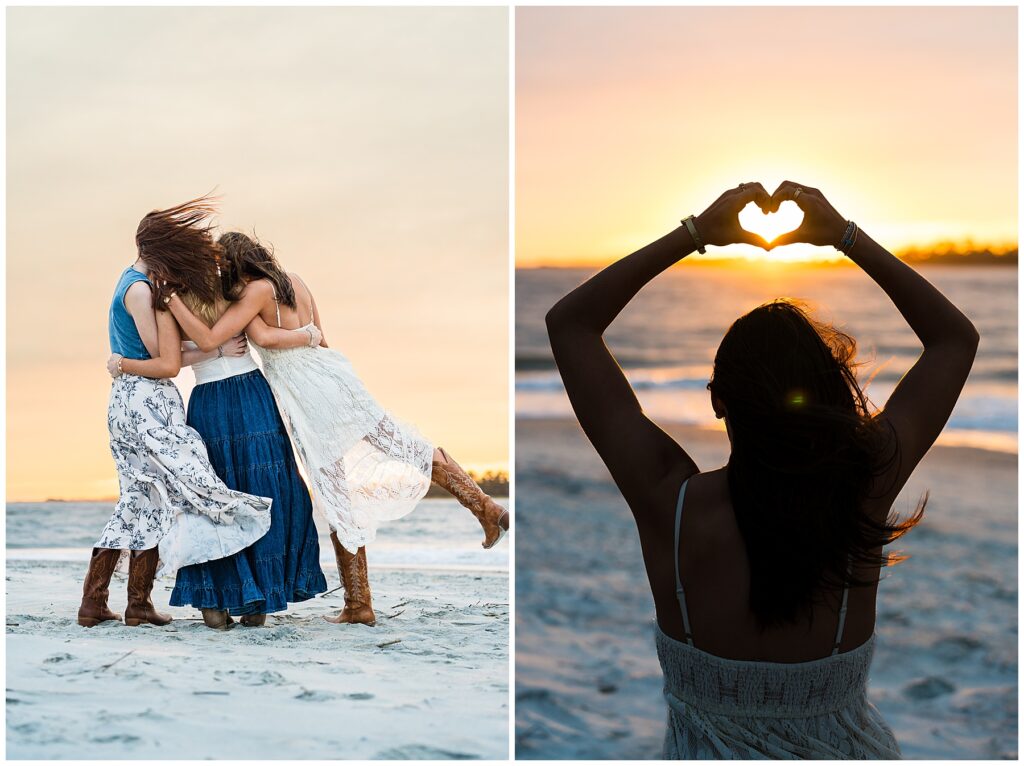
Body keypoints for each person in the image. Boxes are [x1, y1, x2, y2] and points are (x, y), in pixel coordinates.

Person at [545, 180, 979, 758]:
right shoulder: (864, 486)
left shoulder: (669, 502)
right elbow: (954, 340)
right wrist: (843, 236)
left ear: (717, 400)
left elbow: (570, 325)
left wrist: (696, 234)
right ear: (830, 395)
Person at [163, 231, 509, 627]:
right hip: (334, 373)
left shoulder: (255, 291)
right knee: (403, 443)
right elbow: (322, 336)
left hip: (306, 390)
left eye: (226, 266)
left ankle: (359, 604)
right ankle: (485, 506)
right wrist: (308, 336)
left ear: (239, 264)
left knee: (334, 491)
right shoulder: (295, 281)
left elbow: (260, 338)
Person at [107, 198, 328, 630]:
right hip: (245, 393)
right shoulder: (227, 293)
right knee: (263, 487)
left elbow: (192, 347)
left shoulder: (174, 299)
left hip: (214, 399)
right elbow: (195, 347)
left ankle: (221, 599)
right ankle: (255, 598)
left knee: (217, 494)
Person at [80, 199, 273, 629]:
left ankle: (116, 603)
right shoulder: (141, 290)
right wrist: (217, 348)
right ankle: (132, 600)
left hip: (130, 401)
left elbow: (157, 353)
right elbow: (164, 360)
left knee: (142, 499)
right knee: (194, 486)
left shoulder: (128, 281)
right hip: (146, 400)